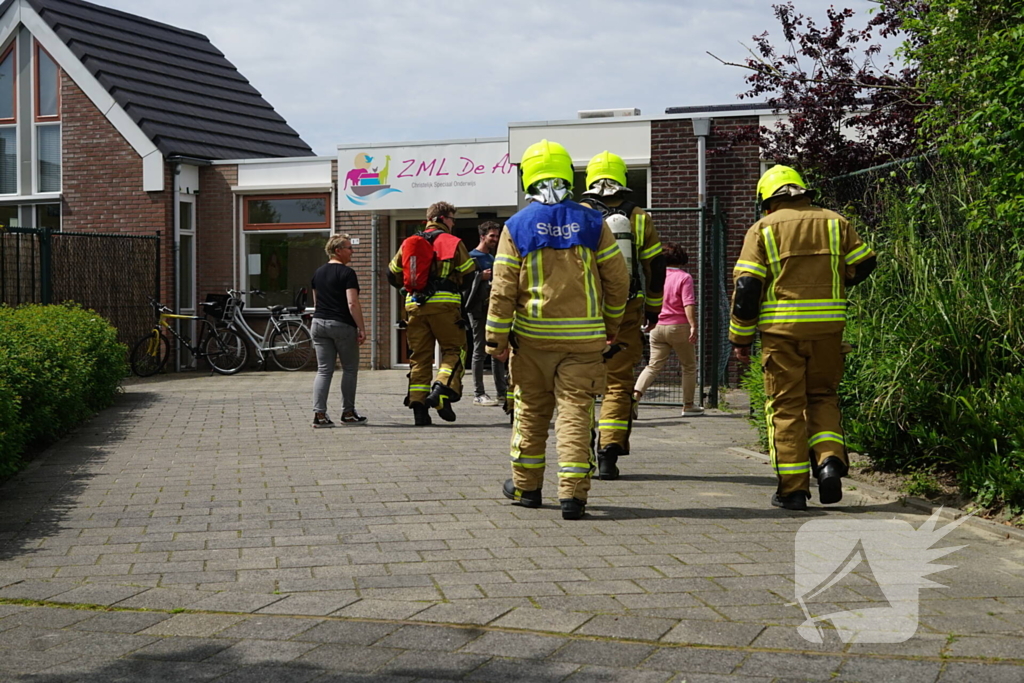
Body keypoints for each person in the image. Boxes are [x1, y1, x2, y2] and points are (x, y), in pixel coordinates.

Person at [487, 140, 629, 520]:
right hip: (584, 342)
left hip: (533, 341)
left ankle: (527, 488)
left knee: (531, 413)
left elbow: (502, 289)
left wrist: (495, 340)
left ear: (528, 177)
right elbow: (618, 281)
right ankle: (573, 496)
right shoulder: (594, 223)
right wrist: (610, 325)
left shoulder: (516, 226)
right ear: (569, 174)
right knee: (575, 415)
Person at [730, 165, 877, 510]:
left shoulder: (763, 228)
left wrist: (740, 338)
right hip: (828, 331)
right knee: (823, 397)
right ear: (802, 192)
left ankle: (793, 491)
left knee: (786, 408)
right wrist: (836, 282)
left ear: (768, 201)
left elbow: (747, 287)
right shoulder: (835, 222)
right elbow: (865, 263)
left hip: (781, 335)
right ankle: (829, 463)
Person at [579, 151, 666, 480]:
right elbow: (655, 266)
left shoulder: (578, 214)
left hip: (583, 311)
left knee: (580, 382)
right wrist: (653, 308)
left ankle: (581, 447)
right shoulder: (639, 217)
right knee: (618, 383)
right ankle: (609, 452)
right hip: (627, 309)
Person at [388, 201, 476, 426]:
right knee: (455, 350)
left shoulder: (409, 242)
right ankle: (441, 389)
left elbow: (391, 273)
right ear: (443, 218)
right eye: (452, 219)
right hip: (445, 307)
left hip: (414, 306)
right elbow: (468, 274)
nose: (453, 224)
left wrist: (406, 290)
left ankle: (419, 411)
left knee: (419, 358)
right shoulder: (453, 242)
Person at [633, 243, 702, 416]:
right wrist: (693, 325)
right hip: (679, 326)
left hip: (656, 326)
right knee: (688, 366)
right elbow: (688, 304)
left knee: (653, 366)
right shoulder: (684, 277)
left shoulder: (655, 277)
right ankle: (688, 405)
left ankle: (635, 397)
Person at [310, 233, 367, 427]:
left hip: (318, 324)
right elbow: (352, 303)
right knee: (349, 369)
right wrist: (361, 328)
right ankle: (348, 413)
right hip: (341, 325)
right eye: (349, 248)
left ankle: (319, 415)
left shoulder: (318, 273)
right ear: (338, 250)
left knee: (324, 370)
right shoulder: (347, 273)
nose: (352, 251)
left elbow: (316, 302)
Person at [465, 220, 508, 407]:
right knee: (480, 350)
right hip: (478, 310)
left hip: (494, 310)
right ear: (482, 236)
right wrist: (479, 277)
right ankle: (479, 393)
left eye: (497, 236)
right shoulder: (471, 257)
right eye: (492, 236)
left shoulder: (493, 258)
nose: (495, 239)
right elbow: (463, 282)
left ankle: (502, 393)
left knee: (497, 349)